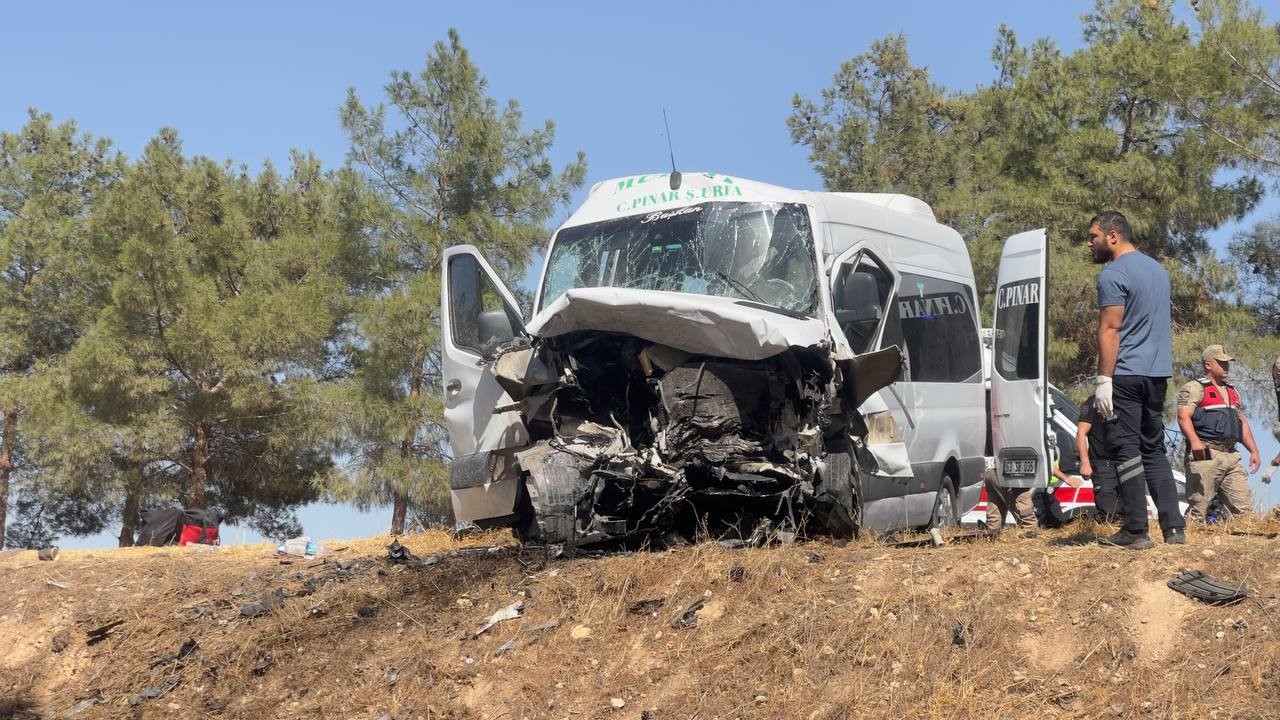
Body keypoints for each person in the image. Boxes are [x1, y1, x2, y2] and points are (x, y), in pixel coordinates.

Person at [1086, 211, 1184, 549]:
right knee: (1153, 448)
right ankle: (1174, 528)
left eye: (1094, 236)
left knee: (1124, 448)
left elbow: (1111, 327)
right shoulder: (1158, 270)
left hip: (1125, 374)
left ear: (1113, 236)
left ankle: (1135, 530)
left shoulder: (1113, 274)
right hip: (1157, 375)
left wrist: (1103, 379)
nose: (1089, 243)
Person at [1176, 345, 1262, 521]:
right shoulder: (1195, 387)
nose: (1226, 367)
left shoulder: (1232, 391)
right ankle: (1192, 542)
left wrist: (1254, 451)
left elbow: (1241, 422)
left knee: (1244, 511)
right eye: (1221, 363)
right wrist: (1195, 442)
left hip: (1231, 454)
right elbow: (1183, 416)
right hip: (1206, 451)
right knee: (1198, 506)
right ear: (1208, 365)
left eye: (1227, 363)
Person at [1076, 393, 1120, 522]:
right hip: (1103, 464)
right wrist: (1085, 462)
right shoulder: (1094, 401)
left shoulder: (1128, 399)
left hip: (1126, 461)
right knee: (1107, 514)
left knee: (1128, 511)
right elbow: (1081, 433)